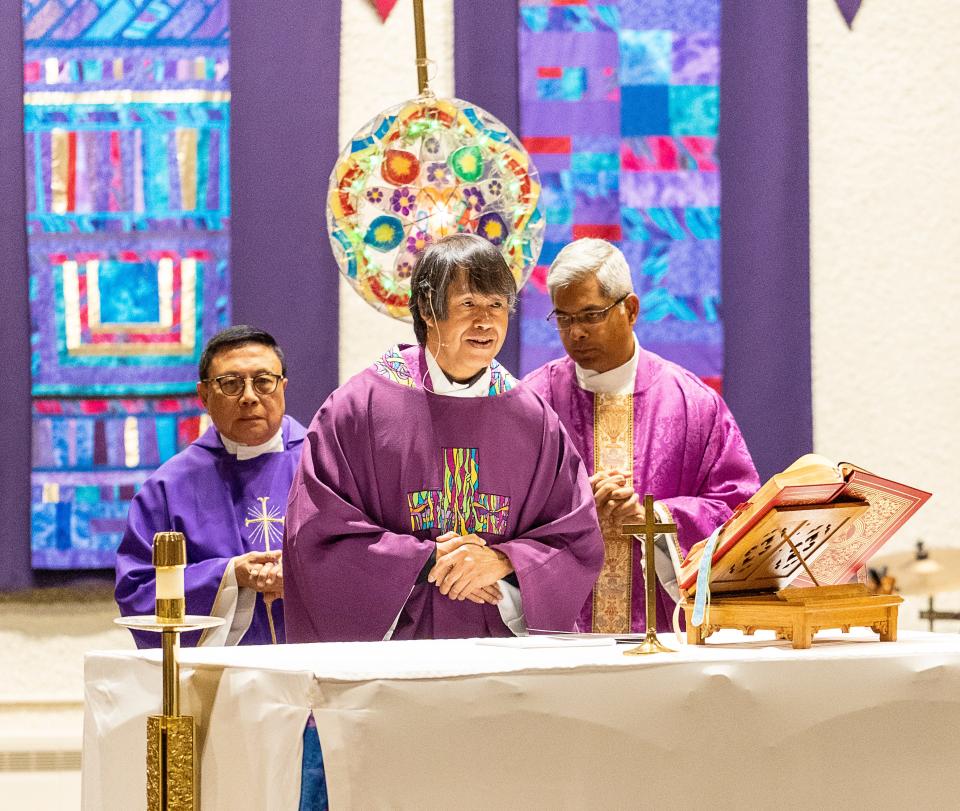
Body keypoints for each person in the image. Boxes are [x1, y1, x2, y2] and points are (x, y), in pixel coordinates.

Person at [283, 233, 603, 642]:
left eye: (497, 305)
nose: (486, 321)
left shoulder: (533, 418)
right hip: (396, 663)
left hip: (501, 660)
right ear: (428, 310)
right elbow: (317, 534)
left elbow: (574, 537)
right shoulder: (358, 409)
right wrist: (427, 560)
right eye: (468, 304)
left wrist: (504, 562)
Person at [524, 239, 760, 634]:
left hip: (664, 637)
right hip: (561, 640)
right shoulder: (532, 404)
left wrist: (655, 518)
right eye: (563, 319)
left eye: (590, 315)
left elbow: (741, 513)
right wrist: (578, 514)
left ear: (630, 309)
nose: (576, 333)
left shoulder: (694, 404)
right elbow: (505, 519)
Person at [115, 325, 306, 647]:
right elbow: (139, 592)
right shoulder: (166, 489)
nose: (249, 397)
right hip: (218, 680)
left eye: (263, 382)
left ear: (282, 387)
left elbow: (363, 561)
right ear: (204, 395)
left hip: (314, 669)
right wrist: (231, 576)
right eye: (231, 384)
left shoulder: (328, 464)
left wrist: (306, 579)